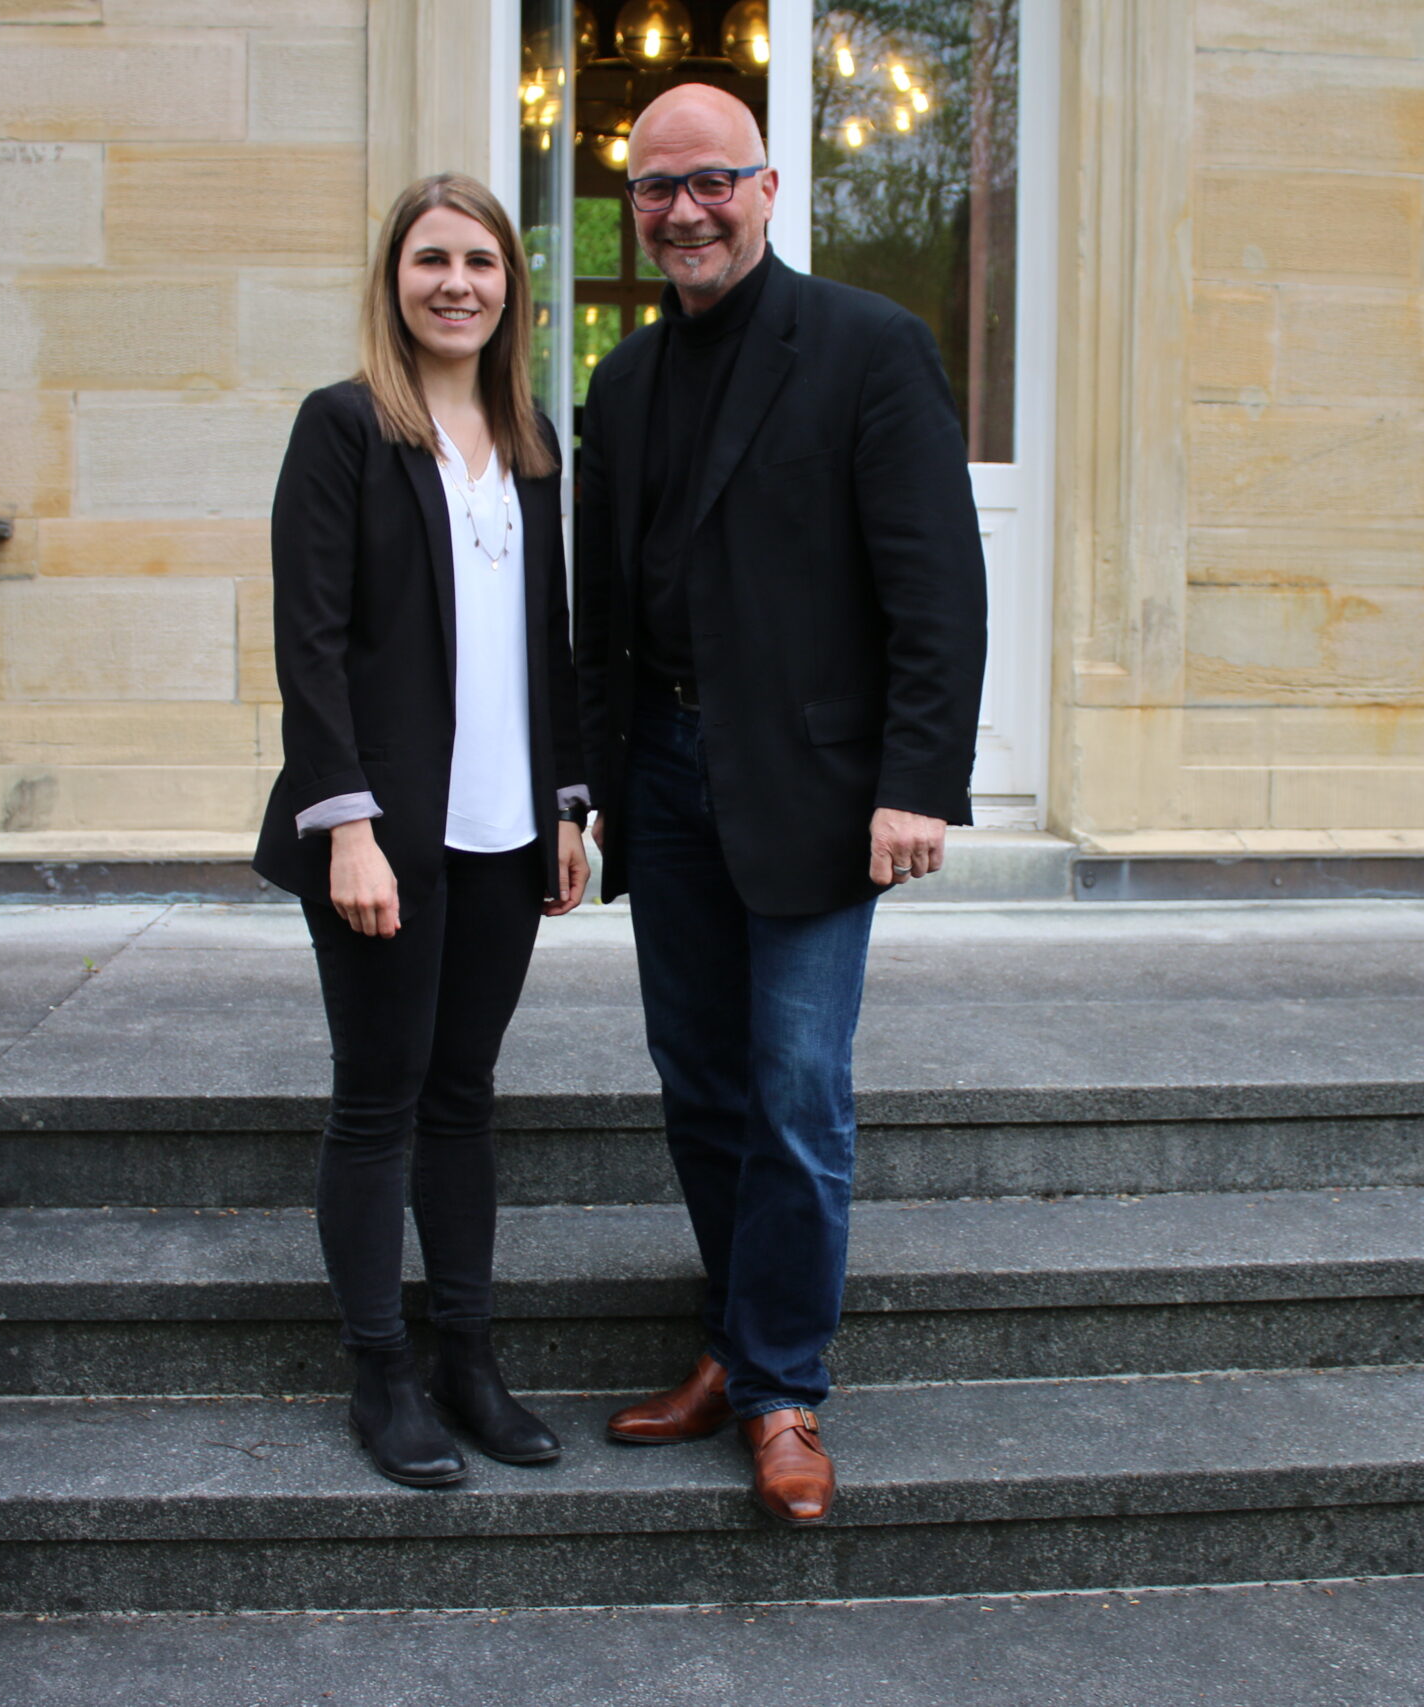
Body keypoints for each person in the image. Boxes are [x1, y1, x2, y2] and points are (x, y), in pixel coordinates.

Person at [574, 85, 987, 1524]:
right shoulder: (620, 386)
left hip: (816, 791)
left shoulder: (869, 349)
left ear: (764, 188)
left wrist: (918, 783)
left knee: (798, 1093)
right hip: (666, 788)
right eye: (656, 190)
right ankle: (736, 1347)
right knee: (699, 1085)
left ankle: (785, 1390)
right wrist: (590, 790)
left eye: (711, 183)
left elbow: (937, 589)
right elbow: (595, 620)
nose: (684, 210)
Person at [252, 172, 590, 1489]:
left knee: (464, 1100)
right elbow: (310, 642)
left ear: (513, 288)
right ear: (395, 282)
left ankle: (469, 1359)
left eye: (483, 263)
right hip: (385, 834)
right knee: (378, 1101)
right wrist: (346, 826)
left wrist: (567, 801)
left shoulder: (531, 443)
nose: (458, 283)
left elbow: (546, 645)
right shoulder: (342, 429)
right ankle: (380, 1372)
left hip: (509, 834)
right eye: (432, 260)